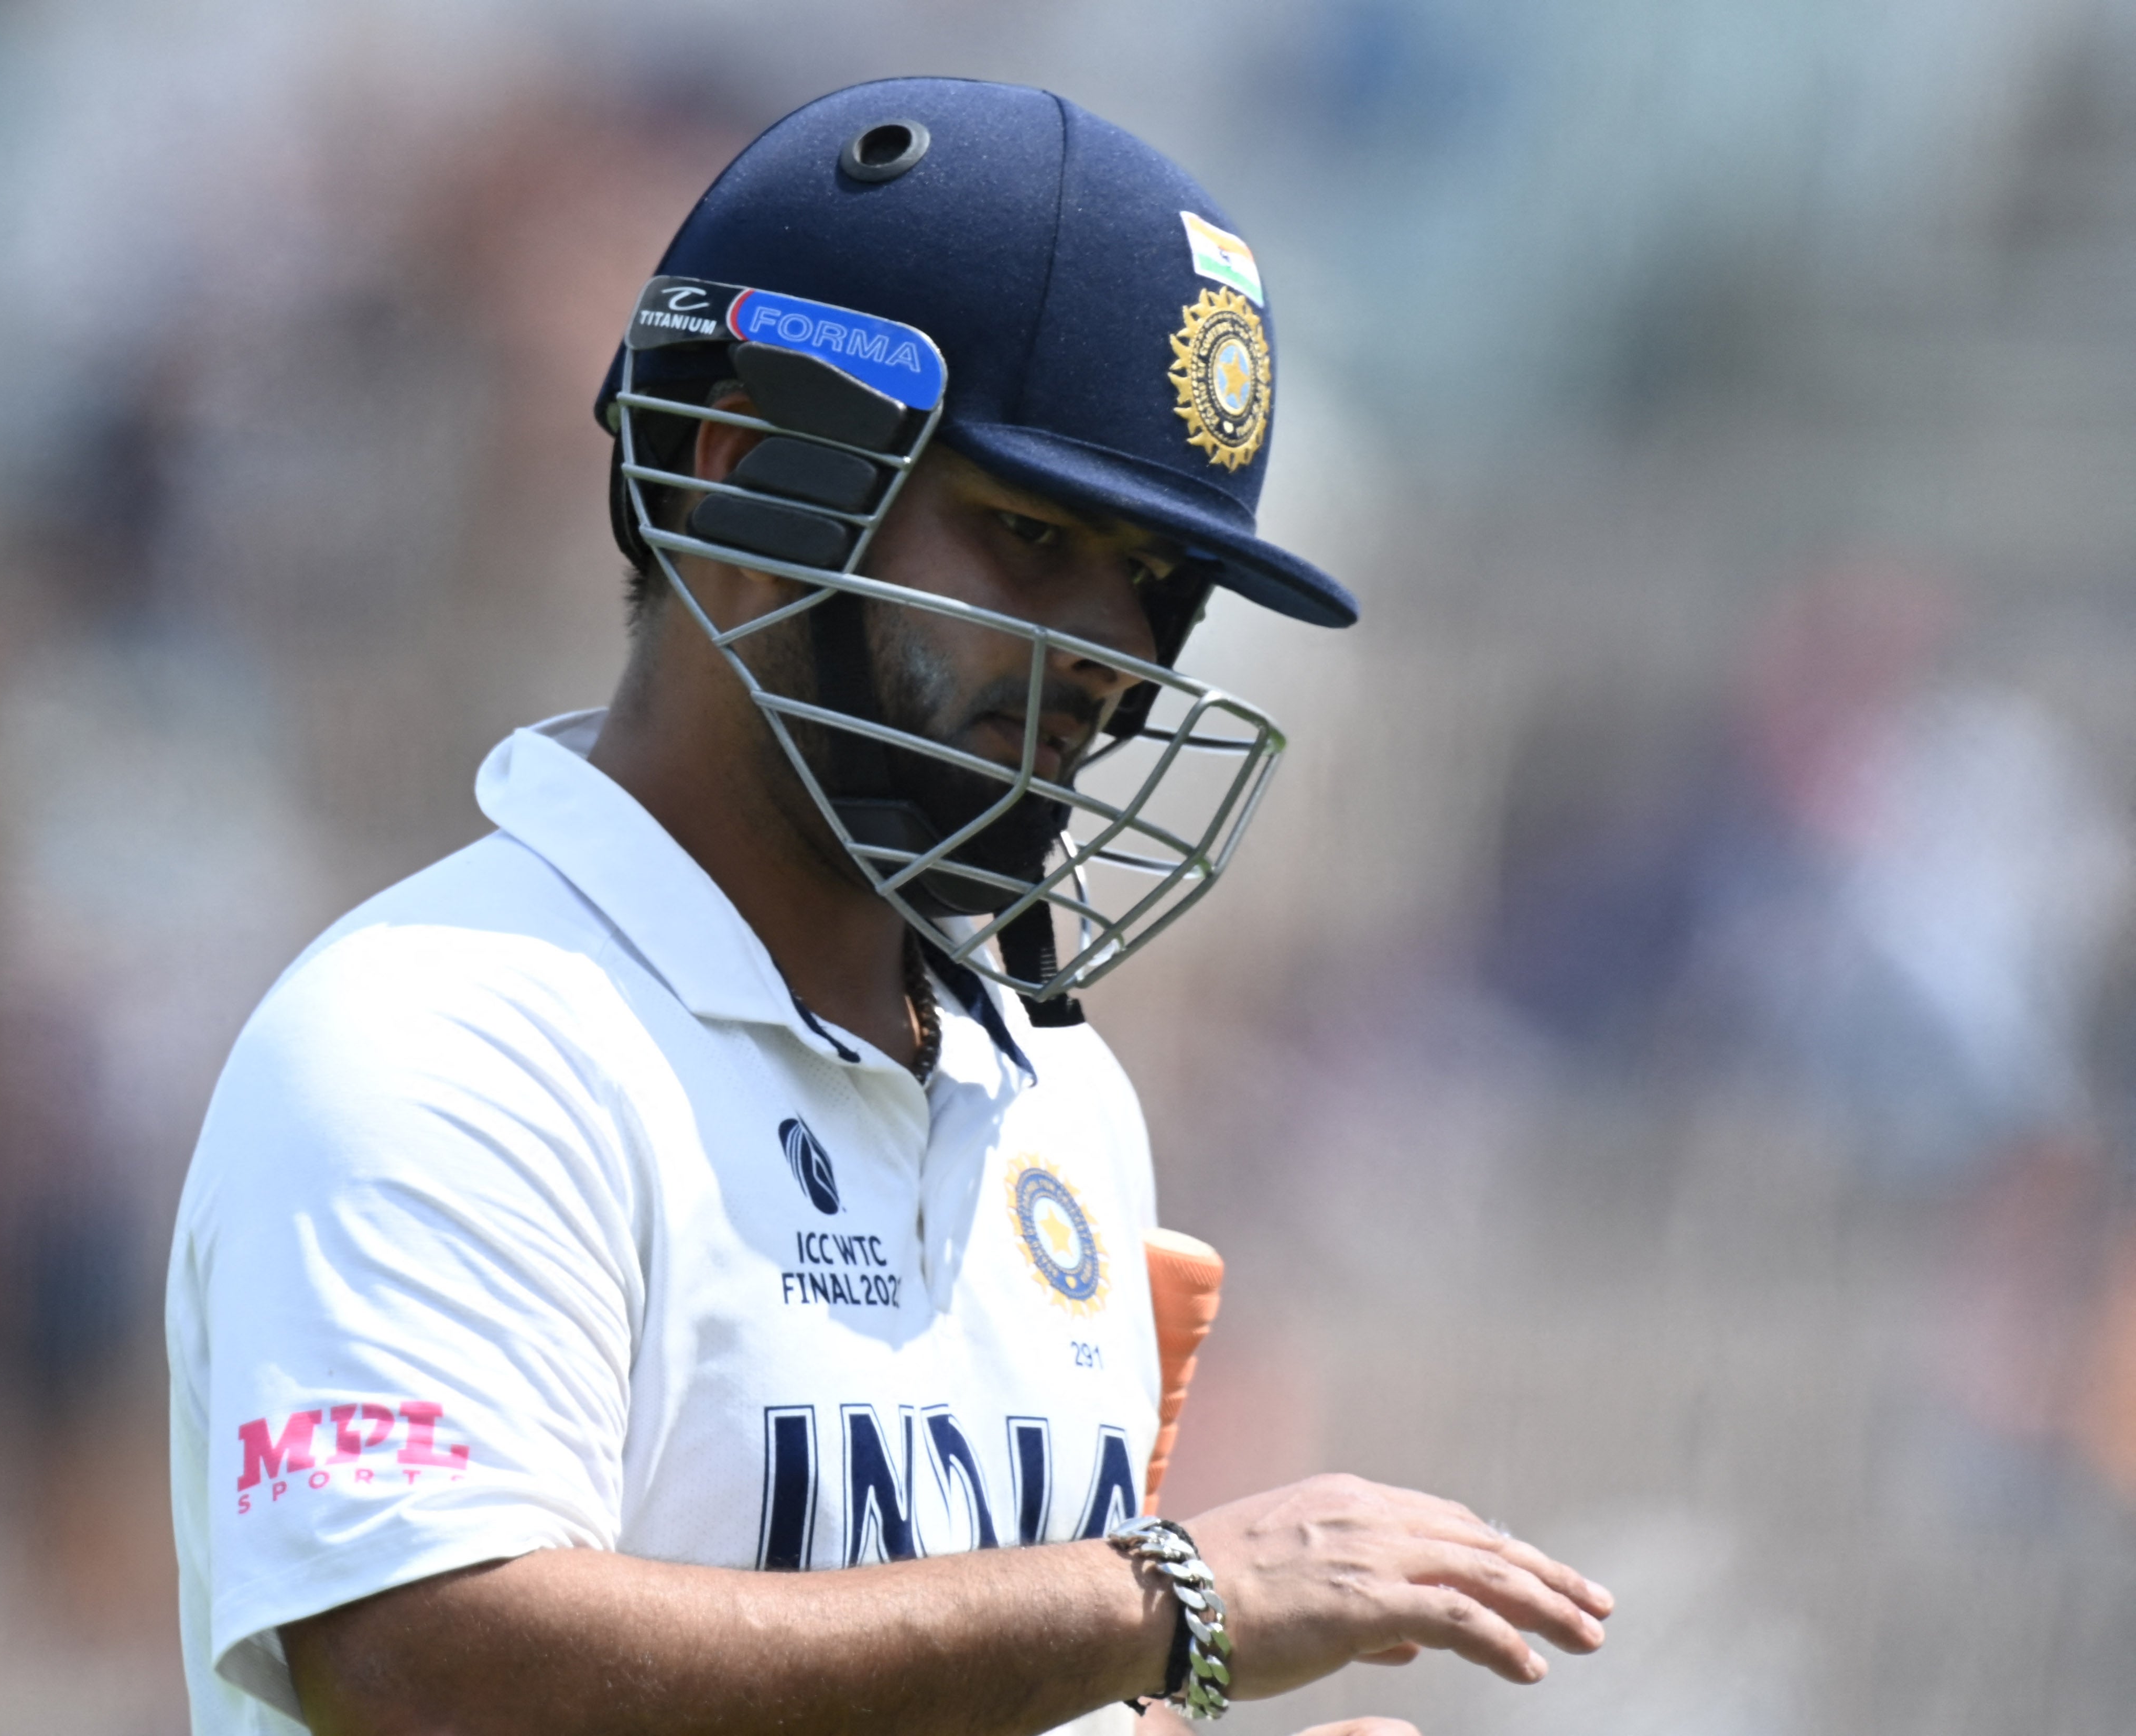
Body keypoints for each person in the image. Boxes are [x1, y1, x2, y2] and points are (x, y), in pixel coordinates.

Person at [167, 77, 1611, 1736]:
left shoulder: (1059, 1104)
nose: (1116, 660)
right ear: (745, 481)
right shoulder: (446, 1036)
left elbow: (986, 1676)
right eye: (1030, 537)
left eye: (1157, 583)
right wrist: (1164, 1602)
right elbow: (424, 1667)